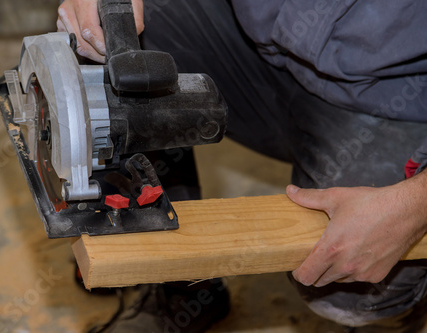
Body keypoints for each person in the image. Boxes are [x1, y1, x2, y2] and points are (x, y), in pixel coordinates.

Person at [57, 0, 427, 332]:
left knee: (347, 290)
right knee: (101, 38)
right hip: (259, 39)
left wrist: (414, 205)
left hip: (398, 97)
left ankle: (404, 308)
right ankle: (187, 289)